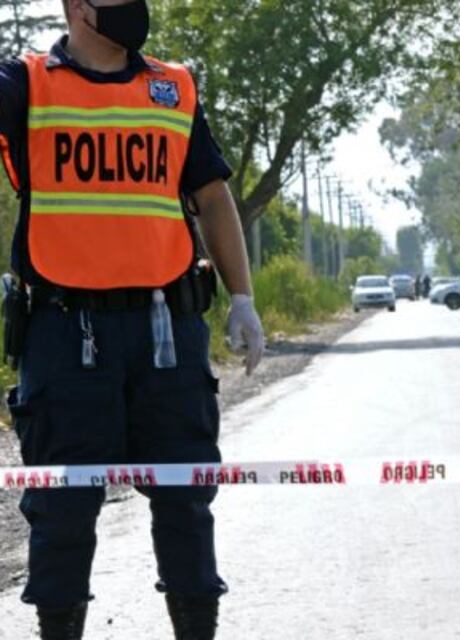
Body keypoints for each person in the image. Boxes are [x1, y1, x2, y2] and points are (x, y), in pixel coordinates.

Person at [0, 1, 265, 637]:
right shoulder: (26, 84)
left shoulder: (172, 86)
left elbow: (211, 195)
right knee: (62, 511)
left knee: (187, 502)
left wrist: (243, 297)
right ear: (75, 5)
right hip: (66, 334)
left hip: (166, 331)